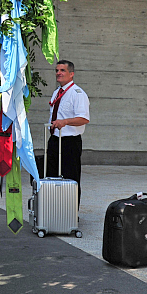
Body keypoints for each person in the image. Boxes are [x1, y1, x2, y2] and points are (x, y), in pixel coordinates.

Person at [46, 60, 90, 205]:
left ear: (71, 74)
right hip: (54, 139)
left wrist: (64, 122)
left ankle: (71, 213)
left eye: (62, 70)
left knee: (71, 178)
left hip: (69, 142)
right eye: (57, 70)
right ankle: (54, 211)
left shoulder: (77, 93)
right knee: (51, 177)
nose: (58, 73)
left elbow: (83, 118)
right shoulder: (57, 93)